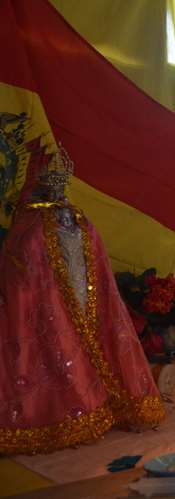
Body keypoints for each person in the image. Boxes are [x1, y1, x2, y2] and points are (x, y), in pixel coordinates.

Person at [0, 146, 165, 455]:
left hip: (78, 299)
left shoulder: (65, 222)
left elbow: (98, 274)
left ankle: (95, 400)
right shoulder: (36, 226)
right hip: (43, 312)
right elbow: (20, 278)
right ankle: (71, 405)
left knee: (84, 343)